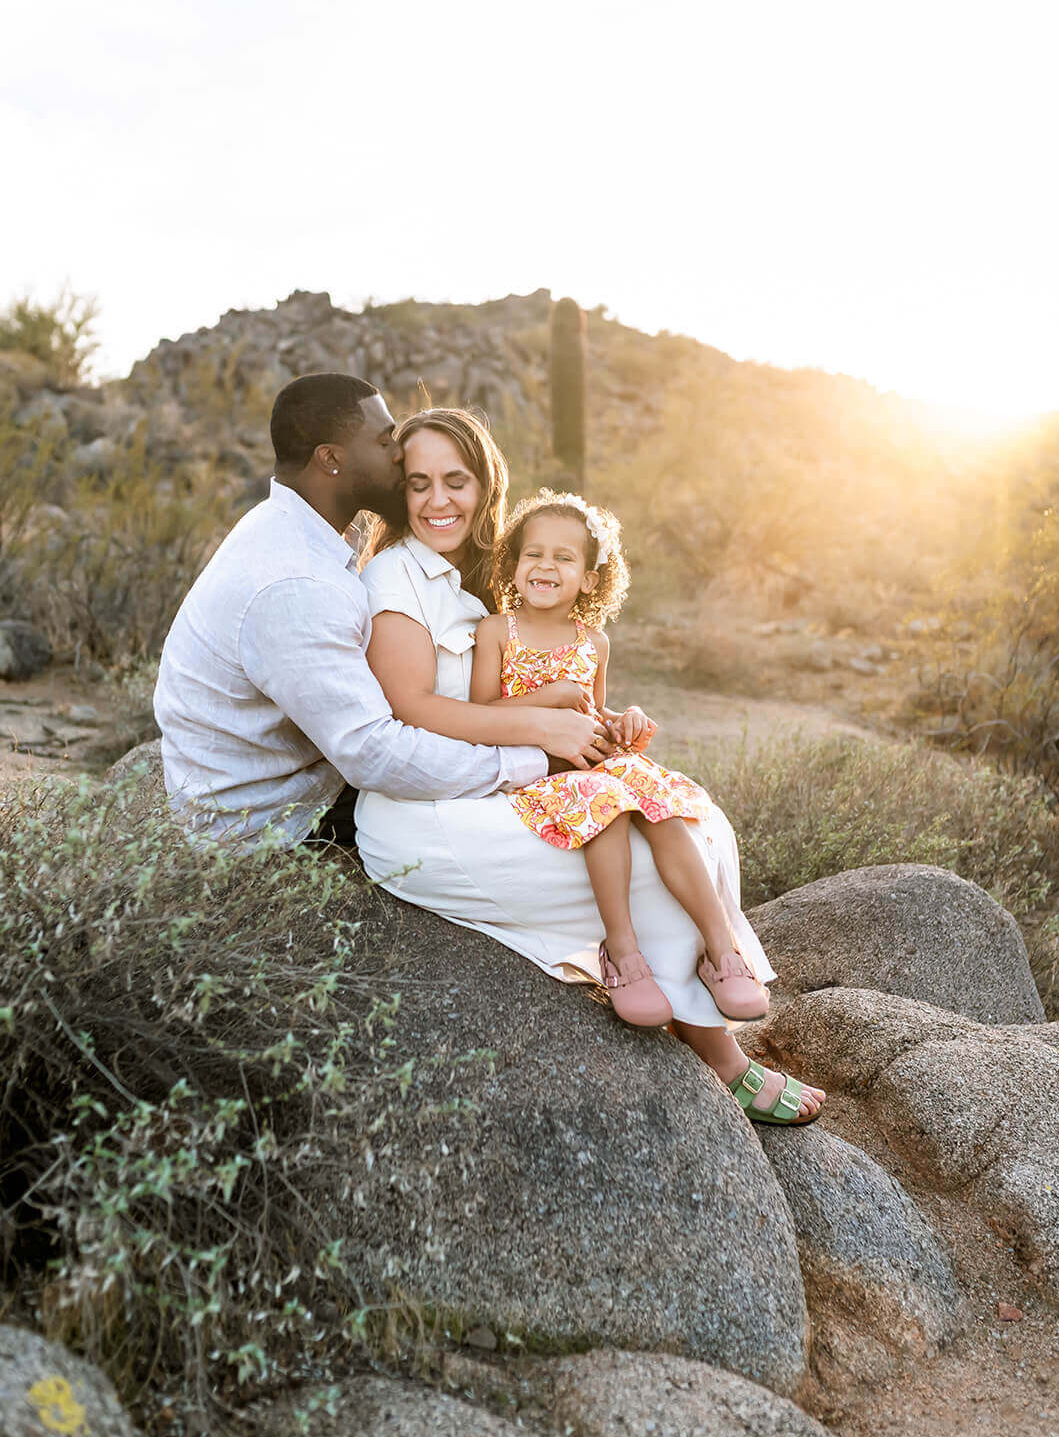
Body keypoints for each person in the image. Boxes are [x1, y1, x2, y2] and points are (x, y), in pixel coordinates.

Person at [360, 408, 825, 1126]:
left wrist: (591, 729)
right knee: (631, 854)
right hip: (428, 799)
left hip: (499, 771)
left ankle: (712, 973)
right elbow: (411, 708)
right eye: (418, 483)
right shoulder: (399, 579)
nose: (437, 500)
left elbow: (569, 694)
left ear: (487, 486)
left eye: (456, 480)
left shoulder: (480, 575)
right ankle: (713, 1050)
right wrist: (542, 724)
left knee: (687, 816)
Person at [153, 373, 606, 849]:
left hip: (301, 784)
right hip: (270, 825)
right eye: (384, 439)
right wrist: (535, 758)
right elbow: (372, 751)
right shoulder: (297, 582)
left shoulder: (293, 533)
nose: (397, 451)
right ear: (331, 459)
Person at [469, 488, 771, 1033]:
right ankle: (624, 956)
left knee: (662, 808)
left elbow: (596, 708)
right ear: (514, 566)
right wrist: (551, 696)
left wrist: (624, 717)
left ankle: (722, 953)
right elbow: (482, 711)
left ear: (588, 578)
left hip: (596, 760)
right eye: (533, 553)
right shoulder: (496, 631)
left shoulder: (595, 642)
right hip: (541, 771)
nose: (546, 566)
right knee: (606, 804)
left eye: (564, 558)